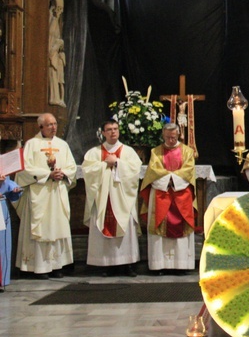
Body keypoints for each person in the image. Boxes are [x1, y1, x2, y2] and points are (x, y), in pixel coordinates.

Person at [15, 113, 77, 279]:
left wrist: (61, 173)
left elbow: (72, 167)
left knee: (57, 226)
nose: (53, 127)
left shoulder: (62, 145)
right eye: (49, 125)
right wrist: (47, 175)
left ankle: (57, 265)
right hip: (39, 194)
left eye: (55, 124)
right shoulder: (32, 144)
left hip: (57, 194)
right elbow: (24, 169)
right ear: (40, 127)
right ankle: (38, 267)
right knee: (40, 228)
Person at [82, 120, 142, 277]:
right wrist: (104, 165)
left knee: (126, 227)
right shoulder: (94, 153)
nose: (113, 132)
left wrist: (117, 163)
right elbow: (87, 172)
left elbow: (135, 172)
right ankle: (105, 265)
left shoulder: (128, 152)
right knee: (101, 225)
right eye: (109, 129)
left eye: (115, 129)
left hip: (122, 198)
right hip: (103, 197)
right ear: (103, 133)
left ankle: (128, 264)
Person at [140, 123, 196, 275]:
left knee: (181, 227)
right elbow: (153, 171)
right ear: (163, 136)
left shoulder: (187, 151)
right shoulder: (155, 152)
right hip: (161, 194)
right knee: (159, 229)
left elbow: (188, 171)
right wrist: (169, 180)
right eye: (168, 137)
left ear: (178, 135)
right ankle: (159, 265)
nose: (171, 140)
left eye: (174, 137)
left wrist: (172, 180)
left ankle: (181, 264)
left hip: (181, 195)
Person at [0, 166, 21, 291]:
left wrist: (14, 189)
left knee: (2, 246)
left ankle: (1, 280)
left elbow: (8, 185)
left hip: (1, 206)